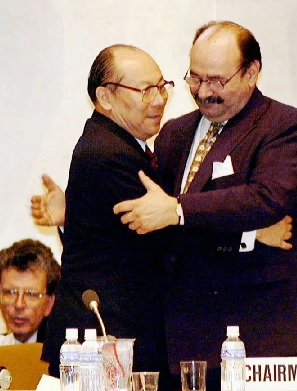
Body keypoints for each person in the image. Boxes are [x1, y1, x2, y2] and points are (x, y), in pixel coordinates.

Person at [113, 20, 297, 389]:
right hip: (188, 337)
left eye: (217, 81)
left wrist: (178, 211)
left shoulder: (287, 125)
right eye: (194, 79)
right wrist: (246, 235)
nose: (204, 92)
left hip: (265, 340)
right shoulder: (174, 134)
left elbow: (266, 198)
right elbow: (157, 223)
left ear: (251, 72)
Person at [40, 44, 175, 388]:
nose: (158, 100)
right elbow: (167, 241)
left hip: (109, 334)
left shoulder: (115, 143)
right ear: (106, 96)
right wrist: (248, 235)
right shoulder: (111, 153)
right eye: (145, 90)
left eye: (162, 87)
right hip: (106, 338)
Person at [0, 239, 60, 345]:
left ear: (49, 304)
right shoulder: (3, 346)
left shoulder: (65, 354)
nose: (19, 305)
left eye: (31, 294)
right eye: (10, 292)